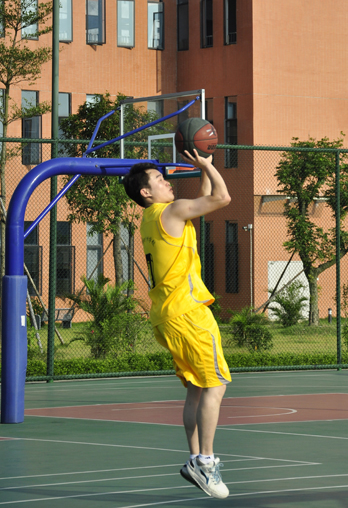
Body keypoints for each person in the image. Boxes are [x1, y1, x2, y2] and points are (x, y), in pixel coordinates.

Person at [123, 151, 232, 499]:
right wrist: (208, 165)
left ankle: (195, 459)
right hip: (188, 314)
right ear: (145, 192)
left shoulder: (151, 219)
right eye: (159, 179)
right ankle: (206, 462)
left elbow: (202, 199)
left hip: (166, 316)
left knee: (196, 389)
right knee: (215, 384)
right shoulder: (171, 211)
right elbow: (222, 198)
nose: (167, 182)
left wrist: (203, 172)